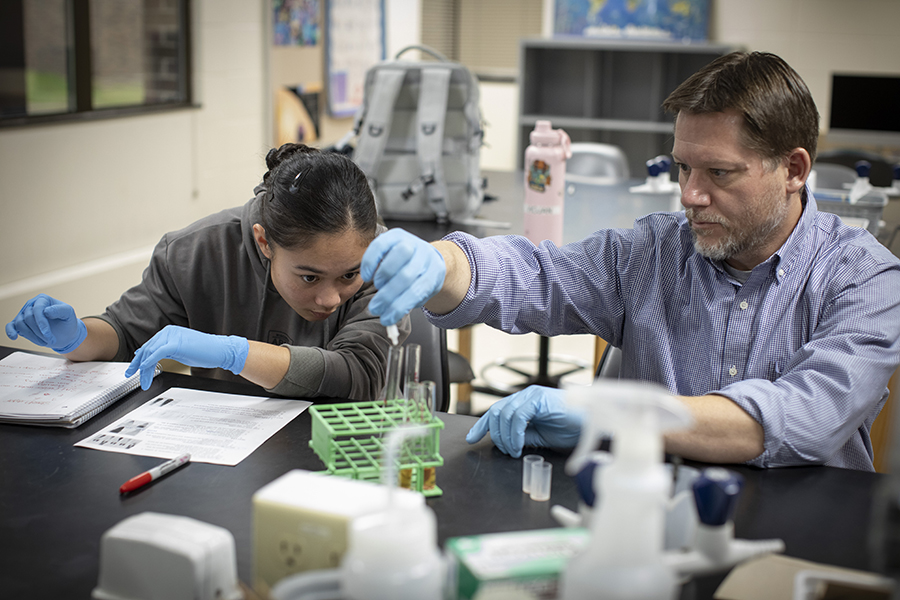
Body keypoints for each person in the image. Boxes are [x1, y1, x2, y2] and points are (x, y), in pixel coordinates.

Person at [362, 52, 900, 471]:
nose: (690, 195)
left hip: (804, 540)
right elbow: (536, 275)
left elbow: (807, 416)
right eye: (684, 168)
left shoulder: (866, 279)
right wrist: (444, 262)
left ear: (794, 169)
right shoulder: (653, 253)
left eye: (720, 173)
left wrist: (615, 415)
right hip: (646, 520)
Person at [7, 143, 409, 401]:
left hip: (350, 453)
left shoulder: (385, 260)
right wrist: (76, 336)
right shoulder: (194, 251)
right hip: (223, 452)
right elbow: (126, 336)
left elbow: (358, 375)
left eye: (348, 276)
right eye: (309, 277)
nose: (329, 298)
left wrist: (234, 353)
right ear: (264, 242)